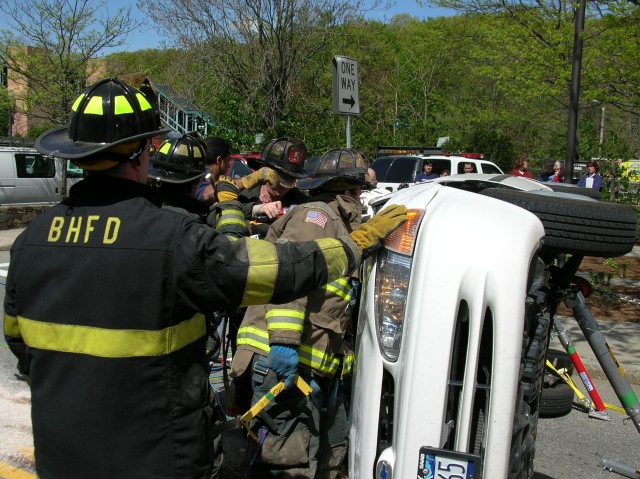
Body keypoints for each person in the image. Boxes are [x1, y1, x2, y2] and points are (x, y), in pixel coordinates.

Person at [4, 77, 408, 479]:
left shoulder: (29, 243)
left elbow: (23, 354)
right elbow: (278, 270)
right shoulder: (173, 240)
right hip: (156, 458)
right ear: (143, 152)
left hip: (63, 458)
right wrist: (356, 245)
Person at [232, 148, 376, 478]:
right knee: (285, 463)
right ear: (348, 191)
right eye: (360, 190)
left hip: (314, 371)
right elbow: (288, 273)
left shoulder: (340, 225)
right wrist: (283, 342)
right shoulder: (318, 218)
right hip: (282, 363)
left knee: (327, 455)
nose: (362, 198)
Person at [239, 137, 308, 237]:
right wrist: (255, 209)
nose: (281, 185)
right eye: (278, 177)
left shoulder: (301, 202)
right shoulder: (245, 197)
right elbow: (223, 210)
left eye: (290, 179)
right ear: (263, 171)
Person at [196, 136, 233, 206]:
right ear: (219, 160)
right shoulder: (197, 182)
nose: (229, 166)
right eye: (228, 161)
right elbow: (205, 195)